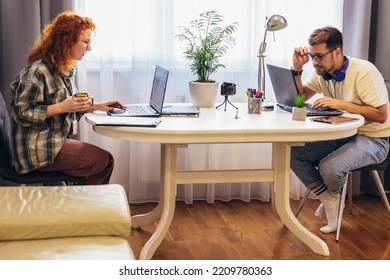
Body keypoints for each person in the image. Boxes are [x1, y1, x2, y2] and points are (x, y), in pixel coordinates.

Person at [291, 26, 390, 233]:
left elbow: (381, 116)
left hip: (374, 139)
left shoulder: (364, 71)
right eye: (311, 56)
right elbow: (298, 98)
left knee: (330, 167)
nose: (315, 62)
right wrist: (297, 70)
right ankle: (329, 199)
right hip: (344, 134)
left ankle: (333, 204)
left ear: (337, 52)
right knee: (294, 154)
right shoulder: (323, 73)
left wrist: (340, 104)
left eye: (319, 56)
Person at [10, 11, 125, 185]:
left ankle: (77, 205)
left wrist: (96, 106)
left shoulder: (63, 70)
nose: (89, 48)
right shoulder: (37, 72)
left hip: (51, 141)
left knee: (101, 162)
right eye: (86, 42)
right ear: (67, 41)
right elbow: (22, 113)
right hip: (35, 149)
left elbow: (67, 105)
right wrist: (64, 107)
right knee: (103, 161)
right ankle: (84, 210)